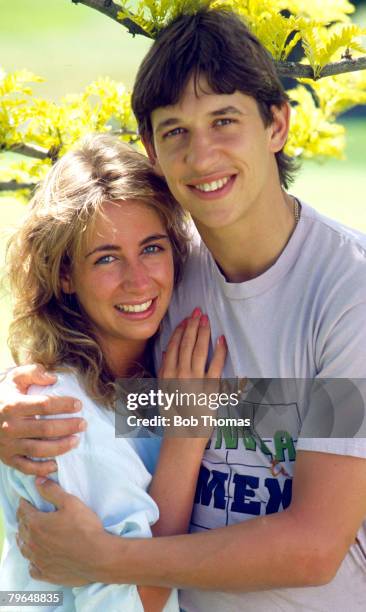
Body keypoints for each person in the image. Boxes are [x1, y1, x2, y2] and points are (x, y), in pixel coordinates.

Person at [1, 8, 366, 612]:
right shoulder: (162, 276)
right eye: (176, 132)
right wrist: (19, 406)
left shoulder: (348, 291)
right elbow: (127, 404)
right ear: (151, 147)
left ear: (277, 124)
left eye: (224, 121)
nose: (201, 157)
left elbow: (313, 547)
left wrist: (106, 558)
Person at [0, 133, 226, 611]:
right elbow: (141, 600)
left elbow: (313, 412)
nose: (138, 280)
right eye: (106, 258)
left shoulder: (148, 383)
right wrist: (186, 438)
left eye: (152, 248)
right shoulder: (61, 418)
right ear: (64, 275)